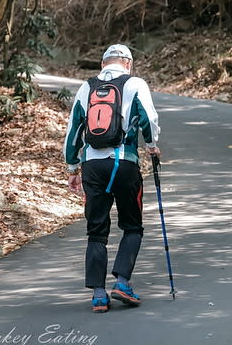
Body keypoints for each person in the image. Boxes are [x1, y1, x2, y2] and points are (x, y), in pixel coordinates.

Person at [63, 44, 161, 313]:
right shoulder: (134, 83)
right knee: (132, 226)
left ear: (102, 63)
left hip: (93, 166)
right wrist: (152, 146)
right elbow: (148, 119)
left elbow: (73, 131)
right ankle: (122, 282)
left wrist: (73, 168)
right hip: (124, 164)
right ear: (128, 63)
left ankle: (98, 295)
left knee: (96, 230)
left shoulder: (87, 87)